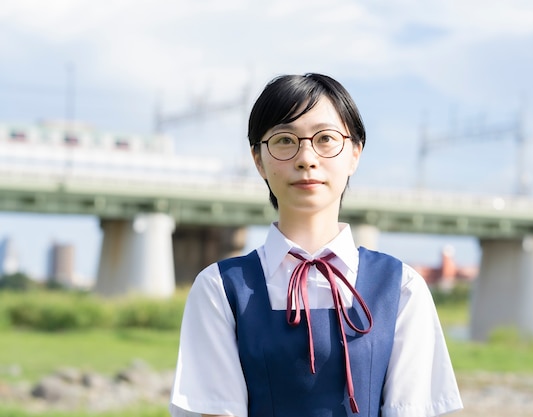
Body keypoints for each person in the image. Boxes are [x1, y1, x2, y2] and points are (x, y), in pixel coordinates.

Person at [169, 73, 463, 417]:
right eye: (284, 140)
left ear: (355, 153)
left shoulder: (401, 287)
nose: (306, 158)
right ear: (257, 159)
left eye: (325, 139)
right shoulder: (220, 288)